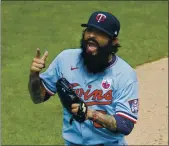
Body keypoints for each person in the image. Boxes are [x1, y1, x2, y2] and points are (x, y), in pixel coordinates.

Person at [28, 11, 139, 146]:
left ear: (113, 41)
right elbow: (38, 98)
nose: (91, 35)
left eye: (99, 32)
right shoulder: (65, 60)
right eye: (89, 30)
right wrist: (34, 75)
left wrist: (91, 114)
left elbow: (125, 124)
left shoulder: (125, 74)